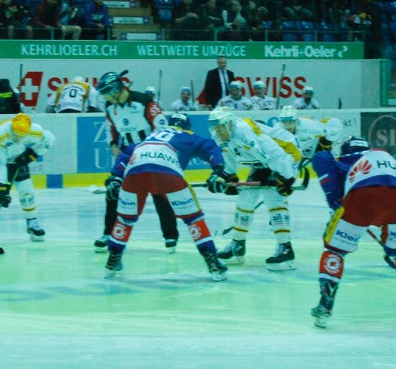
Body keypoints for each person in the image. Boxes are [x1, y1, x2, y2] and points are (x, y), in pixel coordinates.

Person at [310, 136, 396, 328]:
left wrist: (338, 206)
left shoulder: (344, 161)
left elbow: (322, 161)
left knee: (334, 249)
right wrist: (391, 247)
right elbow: (389, 192)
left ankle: (325, 304)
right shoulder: (384, 158)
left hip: (363, 196)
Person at [105, 112, 233, 280]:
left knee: (125, 220)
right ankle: (212, 262)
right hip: (166, 171)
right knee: (193, 219)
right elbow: (212, 148)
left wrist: (115, 176)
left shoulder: (152, 135)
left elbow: (125, 154)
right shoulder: (188, 135)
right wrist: (218, 170)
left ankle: (113, 259)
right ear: (187, 127)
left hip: (134, 170)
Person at [95, 71, 180, 252]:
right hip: (128, 156)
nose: (105, 98)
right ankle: (108, 233)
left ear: (117, 90)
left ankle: (170, 235)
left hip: (152, 153)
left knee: (160, 194)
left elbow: (162, 127)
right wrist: (114, 146)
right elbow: (112, 131)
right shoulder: (110, 107)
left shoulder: (144, 102)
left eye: (107, 93)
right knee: (113, 190)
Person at [208, 106, 302, 270]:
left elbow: (276, 155)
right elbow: (230, 158)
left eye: (220, 126)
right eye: (214, 127)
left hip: (287, 154)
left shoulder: (245, 132)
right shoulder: (221, 136)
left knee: (274, 198)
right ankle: (237, 243)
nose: (217, 131)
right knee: (245, 198)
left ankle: (285, 247)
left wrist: (286, 178)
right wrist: (229, 177)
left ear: (229, 124)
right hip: (263, 161)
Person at [0, 114, 54, 243]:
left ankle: (32, 221)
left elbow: (49, 139)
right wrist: (2, 189)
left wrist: (32, 154)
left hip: (16, 152)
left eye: (21, 135)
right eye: (16, 134)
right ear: (11, 129)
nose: (18, 137)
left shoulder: (35, 131)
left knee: (26, 186)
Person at [277, 106, 343, 202]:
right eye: (285, 123)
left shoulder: (309, 127)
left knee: (329, 169)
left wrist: (326, 141)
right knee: (284, 189)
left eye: (290, 122)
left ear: (296, 120)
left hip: (314, 147)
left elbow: (335, 124)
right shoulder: (277, 130)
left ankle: (337, 195)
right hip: (295, 154)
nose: (288, 127)